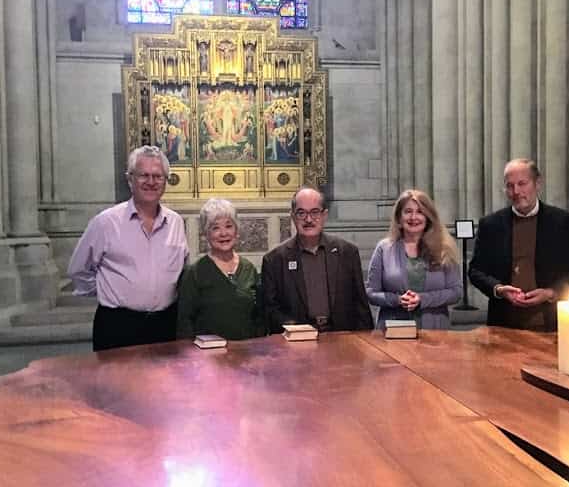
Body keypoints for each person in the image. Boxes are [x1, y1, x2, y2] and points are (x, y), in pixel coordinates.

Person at [68, 145, 188, 351]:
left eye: (158, 176)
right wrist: (110, 293)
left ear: (166, 181)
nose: (151, 182)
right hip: (118, 326)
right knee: (116, 383)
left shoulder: (176, 222)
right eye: (144, 175)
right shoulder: (106, 223)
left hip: (165, 325)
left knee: (161, 383)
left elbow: (182, 270)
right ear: (130, 179)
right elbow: (79, 270)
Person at [468, 158, 569, 331]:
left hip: (552, 321)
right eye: (510, 186)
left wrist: (551, 292)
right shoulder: (491, 225)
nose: (516, 191)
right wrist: (499, 289)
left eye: (522, 183)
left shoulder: (562, 222)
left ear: (537, 183)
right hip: (504, 322)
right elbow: (475, 271)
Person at [261, 187, 374, 334]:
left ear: (324, 215)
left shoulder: (347, 253)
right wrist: (295, 329)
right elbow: (270, 309)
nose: (308, 219)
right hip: (296, 343)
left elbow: (360, 305)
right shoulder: (274, 260)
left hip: (342, 339)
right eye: (301, 213)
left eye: (315, 212)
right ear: (293, 216)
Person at [367, 189, 462, 329]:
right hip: (393, 330)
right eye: (408, 211)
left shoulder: (443, 249)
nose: (414, 217)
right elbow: (371, 293)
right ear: (399, 218)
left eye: (420, 212)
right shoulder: (384, 248)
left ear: (428, 217)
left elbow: (456, 292)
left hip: (436, 331)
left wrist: (423, 299)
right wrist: (397, 300)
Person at [176, 198, 264, 340]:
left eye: (229, 226)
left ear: (237, 231)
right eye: (215, 227)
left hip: (246, 354)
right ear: (206, 234)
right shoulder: (195, 273)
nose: (223, 233)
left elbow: (259, 317)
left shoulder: (249, 269)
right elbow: (184, 323)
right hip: (207, 356)